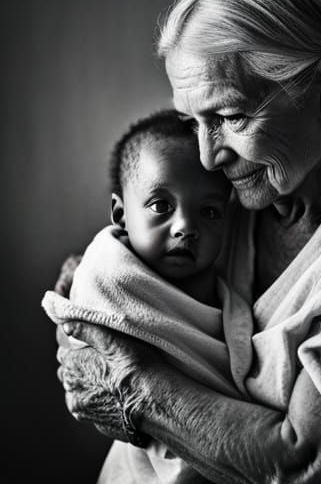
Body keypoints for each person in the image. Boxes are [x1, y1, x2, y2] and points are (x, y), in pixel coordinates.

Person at [55, 0, 321, 484]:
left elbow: (308, 465)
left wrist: (133, 386)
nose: (207, 156)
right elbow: (121, 283)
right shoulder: (221, 192)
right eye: (192, 123)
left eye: (230, 116)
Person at [44, 110, 252, 483]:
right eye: (161, 206)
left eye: (209, 211)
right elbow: (77, 336)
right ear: (121, 215)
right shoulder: (111, 274)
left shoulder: (233, 286)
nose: (187, 227)